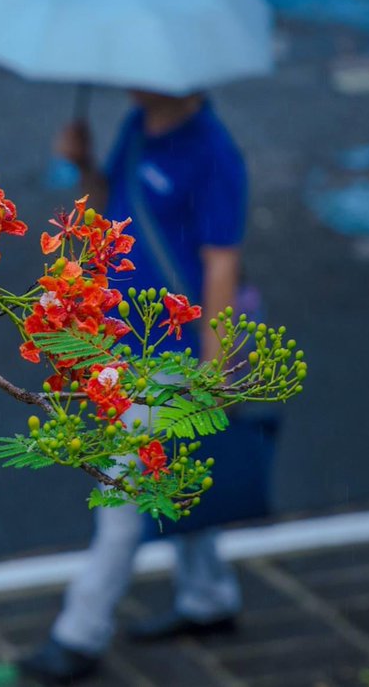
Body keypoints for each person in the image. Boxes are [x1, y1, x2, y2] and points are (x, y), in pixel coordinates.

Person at [18, 89, 248, 684]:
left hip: (172, 358)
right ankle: (210, 598)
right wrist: (86, 163)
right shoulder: (137, 126)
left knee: (121, 495)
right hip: (125, 340)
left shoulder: (213, 152)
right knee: (175, 482)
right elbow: (109, 213)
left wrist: (215, 369)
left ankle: (79, 634)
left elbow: (223, 262)